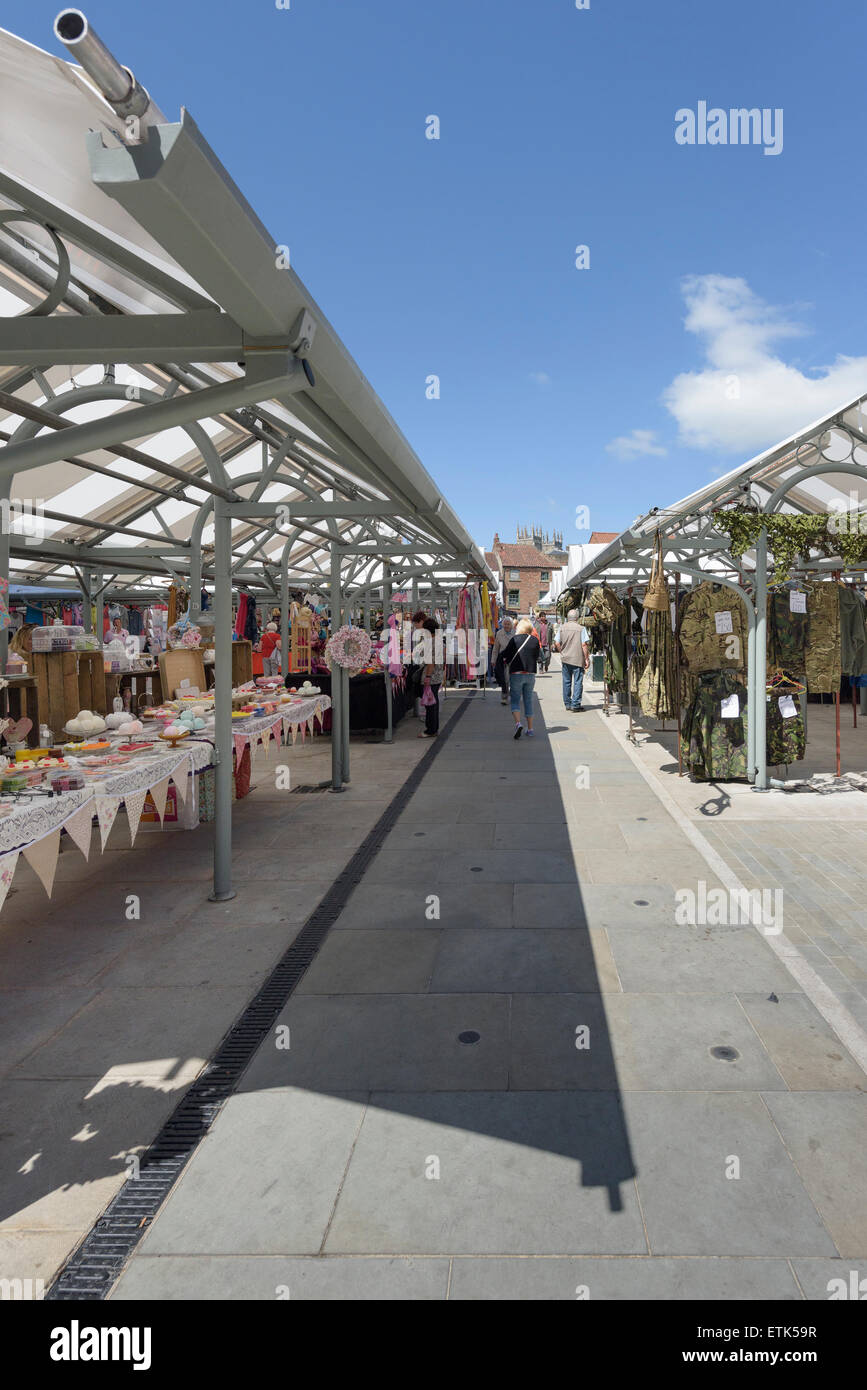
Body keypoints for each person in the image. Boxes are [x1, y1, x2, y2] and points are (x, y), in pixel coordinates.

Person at [501, 617, 541, 739]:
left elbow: (506, 654)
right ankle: (530, 729)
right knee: (528, 700)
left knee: (515, 700)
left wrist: (505, 660)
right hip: (530, 674)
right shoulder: (534, 640)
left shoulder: (514, 639)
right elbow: (537, 656)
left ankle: (518, 724)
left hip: (516, 674)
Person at [555, 608, 590, 711]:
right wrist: (586, 659)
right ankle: (576, 704)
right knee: (578, 681)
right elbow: (584, 644)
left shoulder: (562, 628)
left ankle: (567, 703)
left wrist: (561, 651)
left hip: (565, 658)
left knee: (566, 681)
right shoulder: (581, 629)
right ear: (577, 618)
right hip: (578, 659)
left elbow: (556, 642)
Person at [418, 616, 443, 738]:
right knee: (434, 702)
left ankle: (430, 730)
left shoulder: (430, 643)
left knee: (430, 704)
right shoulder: (438, 640)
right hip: (438, 675)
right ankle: (434, 728)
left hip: (431, 676)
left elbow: (430, 663)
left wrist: (427, 677)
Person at [490, 616, 514, 705]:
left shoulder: (515, 633)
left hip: (513, 659)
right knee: (505, 679)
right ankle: (504, 696)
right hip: (502, 659)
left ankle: (513, 694)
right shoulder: (499, 633)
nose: (506, 626)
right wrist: (493, 660)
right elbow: (496, 648)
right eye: (505, 624)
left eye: (508, 624)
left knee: (513, 679)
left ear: (511, 625)